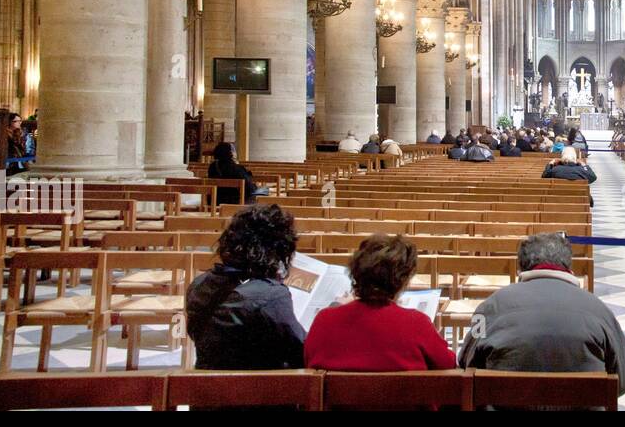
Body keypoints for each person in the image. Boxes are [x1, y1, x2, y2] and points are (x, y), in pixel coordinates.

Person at [458, 233, 625, 398]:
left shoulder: (489, 308)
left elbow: (466, 363)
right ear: (568, 266)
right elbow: (623, 379)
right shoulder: (599, 311)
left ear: (520, 266)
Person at [305, 235, 456, 372]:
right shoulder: (417, 324)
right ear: (403, 280)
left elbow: (308, 360)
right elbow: (449, 364)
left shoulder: (325, 320)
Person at [185, 205, 305, 369]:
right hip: (259, 388)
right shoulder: (270, 295)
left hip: (207, 382)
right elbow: (301, 352)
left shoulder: (199, 284)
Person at [208, 141, 263, 205]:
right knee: (263, 191)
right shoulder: (236, 168)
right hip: (235, 201)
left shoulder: (212, 167)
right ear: (231, 153)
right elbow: (250, 188)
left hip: (216, 200)